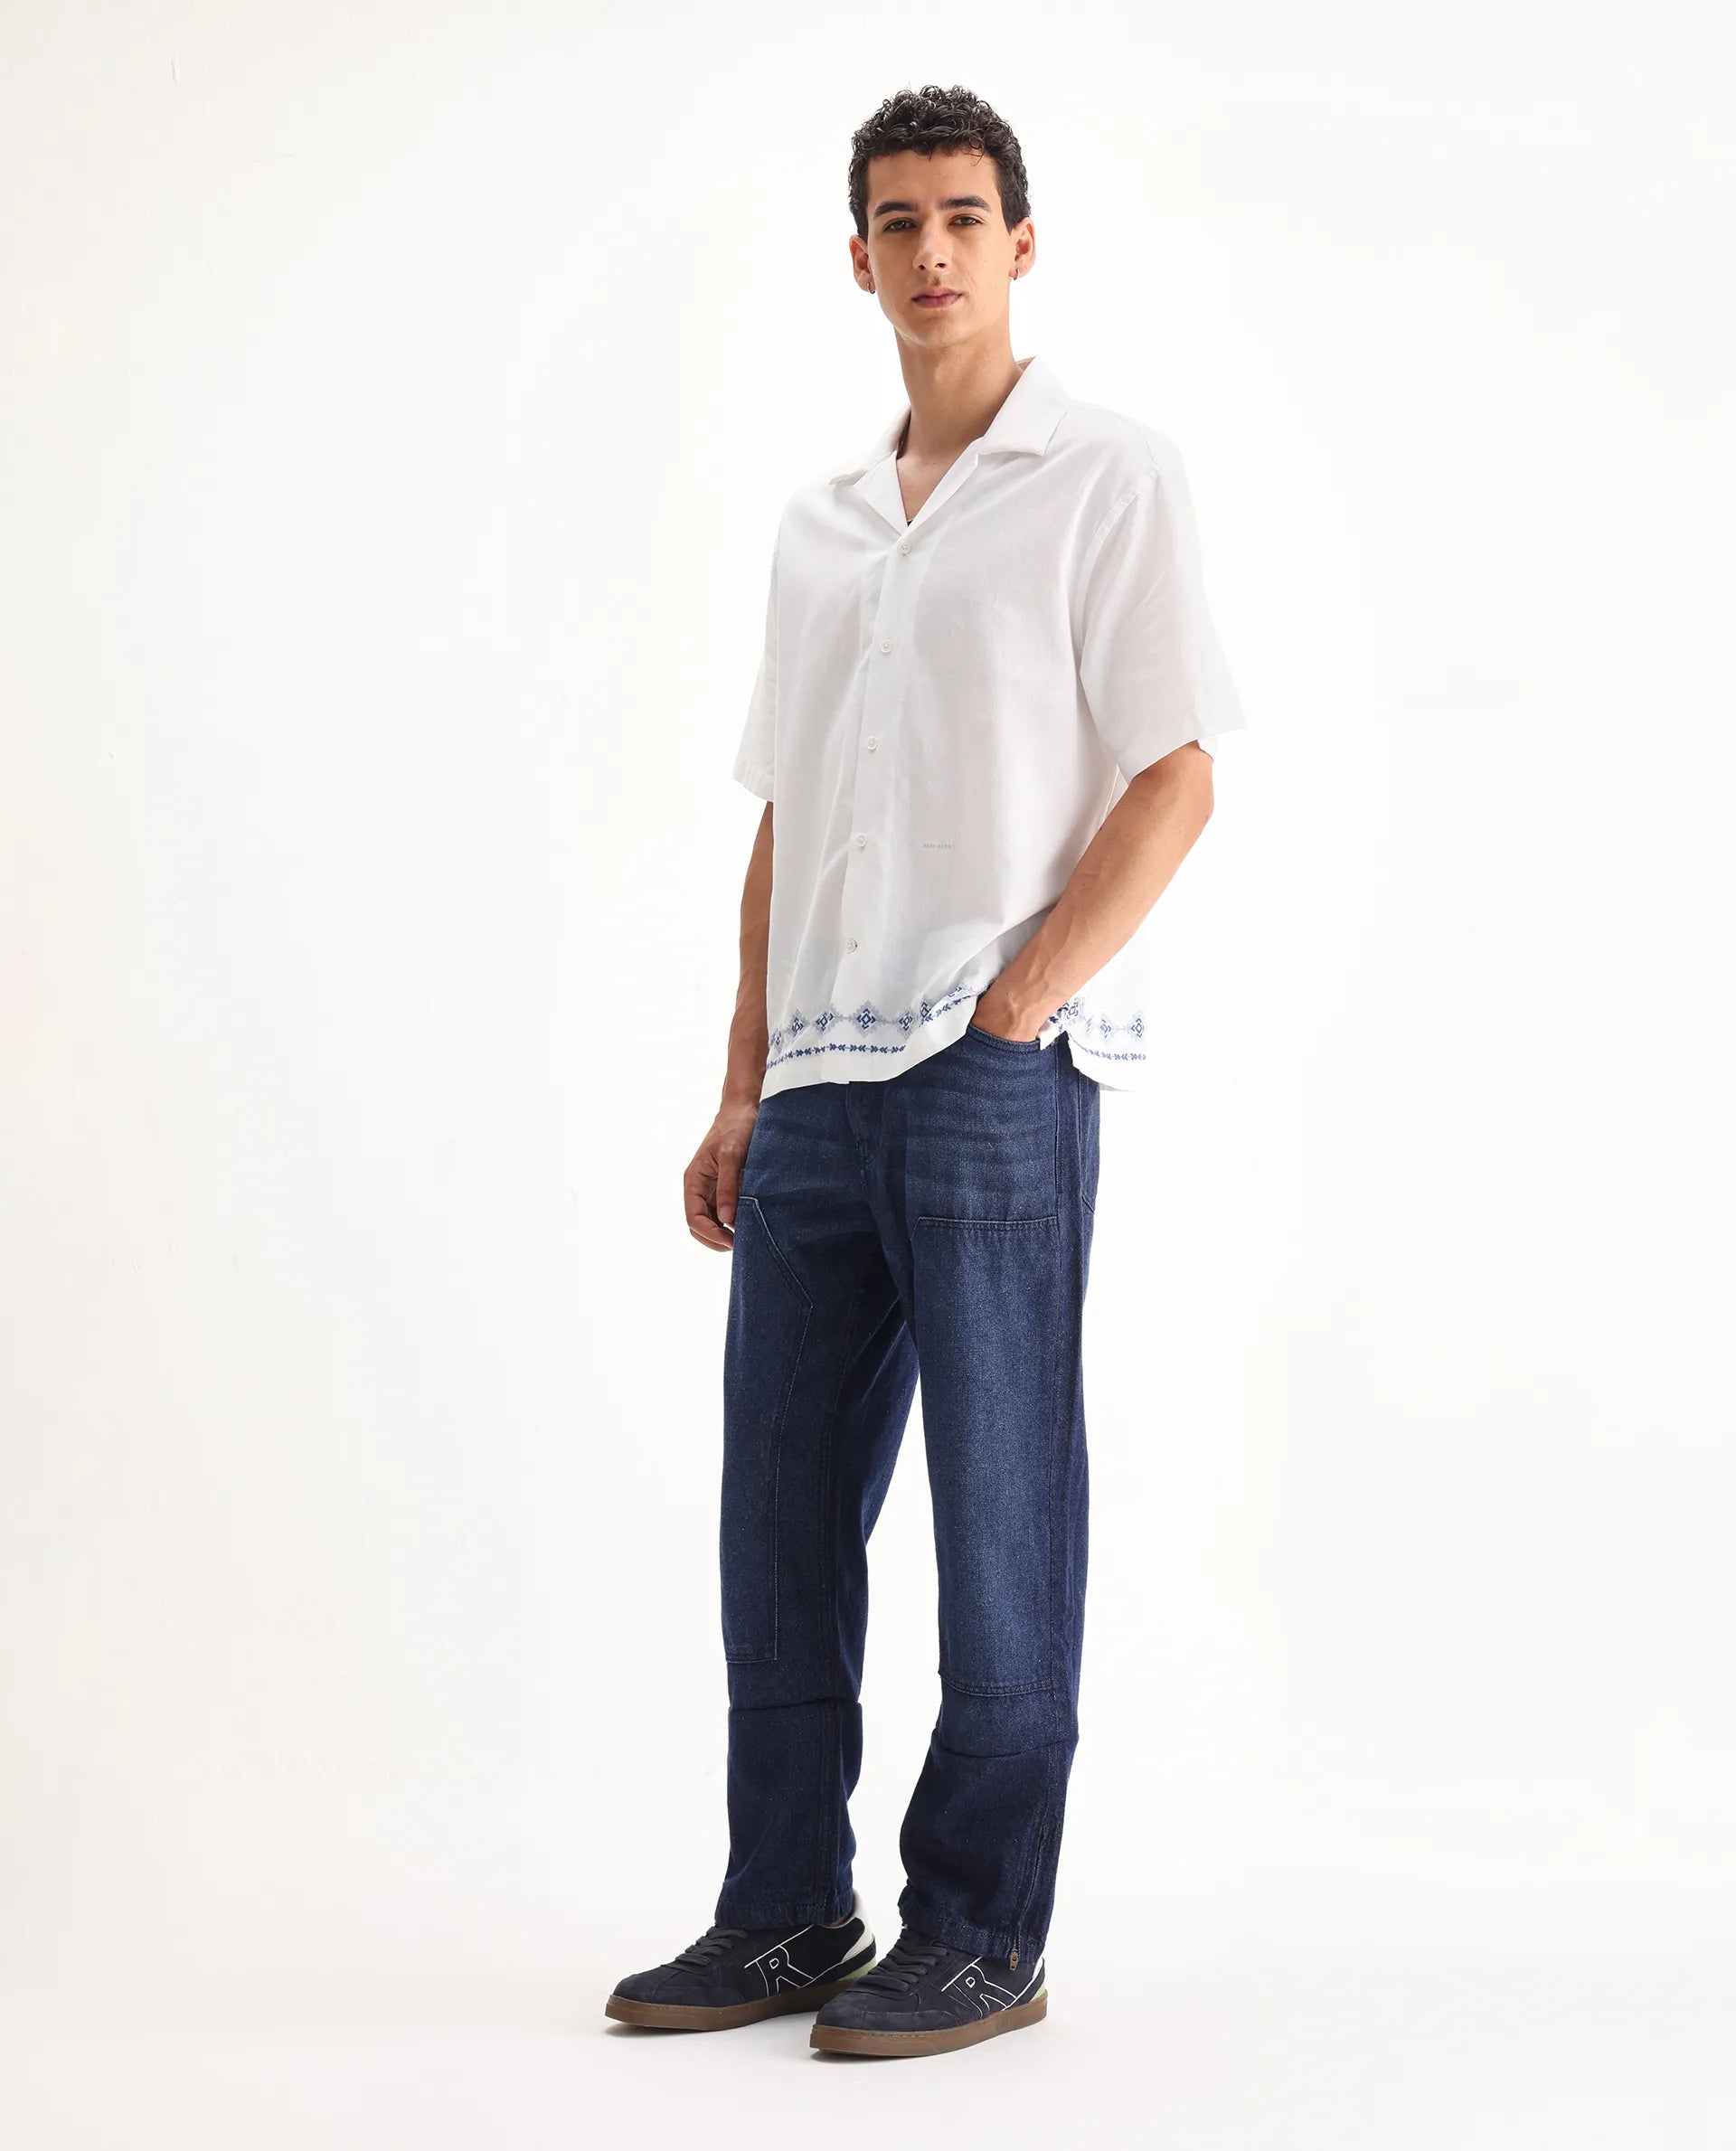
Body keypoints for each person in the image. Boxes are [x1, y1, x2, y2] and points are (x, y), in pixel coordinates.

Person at [605, 82, 1246, 2061]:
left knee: (998, 1509)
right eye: (900, 221)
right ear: (861, 256)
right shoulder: (819, 530)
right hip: (814, 1084)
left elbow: (1178, 772)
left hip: (988, 1077)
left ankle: (980, 1930)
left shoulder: (1106, 475)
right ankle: (786, 1907)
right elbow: (786, 819)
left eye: (967, 216)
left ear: (1020, 243)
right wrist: (742, 1084)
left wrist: (1023, 999)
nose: (935, 250)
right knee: (780, 1515)